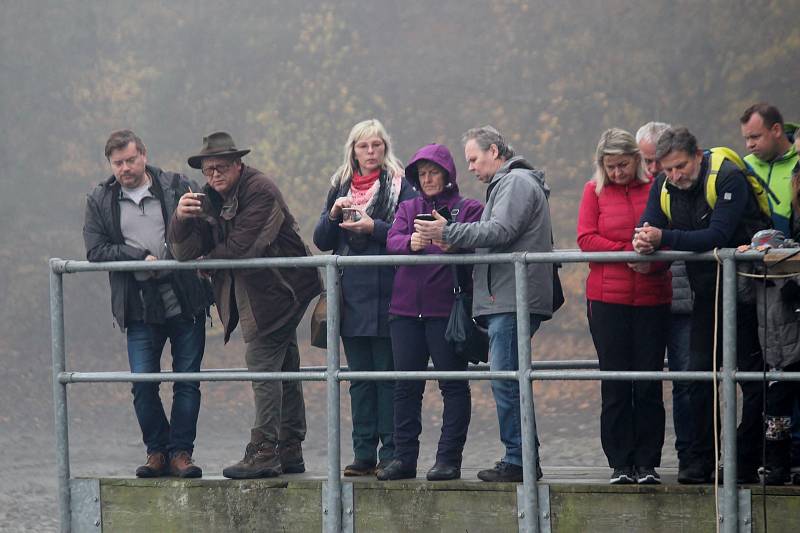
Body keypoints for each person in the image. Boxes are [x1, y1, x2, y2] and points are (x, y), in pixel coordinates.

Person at [169, 131, 322, 479]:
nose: (214, 176)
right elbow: (182, 253)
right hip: (261, 292)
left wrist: (209, 261)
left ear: (238, 164)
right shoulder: (207, 198)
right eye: (208, 170)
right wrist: (180, 218)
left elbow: (244, 247)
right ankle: (289, 449)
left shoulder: (260, 189)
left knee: (263, 362)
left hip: (282, 290)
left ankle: (265, 450)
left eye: (221, 167)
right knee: (283, 365)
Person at [414, 126, 554, 482]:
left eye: (474, 159)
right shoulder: (509, 185)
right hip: (507, 295)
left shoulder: (515, 183)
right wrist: (458, 241)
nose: (471, 168)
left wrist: (447, 233)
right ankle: (521, 457)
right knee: (508, 377)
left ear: (494, 151)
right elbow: (499, 236)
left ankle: (519, 460)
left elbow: (500, 231)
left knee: (506, 379)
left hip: (512, 297)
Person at [633, 127, 768, 484]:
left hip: (751, 290)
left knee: (755, 381)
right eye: (667, 170)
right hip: (707, 292)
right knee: (698, 376)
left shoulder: (728, 177)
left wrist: (664, 238)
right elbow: (648, 223)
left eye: (680, 167)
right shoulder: (663, 186)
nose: (676, 176)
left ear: (697, 155)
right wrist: (643, 240)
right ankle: (700, 461)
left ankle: (745, 458)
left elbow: (717, 236)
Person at [83, 129, 211, 478]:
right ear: (110, 164)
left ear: (144, 155)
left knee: (187, 381)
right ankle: (156, 451)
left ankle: (181, 453)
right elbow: (95, 250)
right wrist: (139, 256)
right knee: (143, 383)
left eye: (130, 159)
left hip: (186, 297)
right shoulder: (100, 199)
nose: (124, 167)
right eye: (117, 162)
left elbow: (210, 226)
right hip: (138, 303)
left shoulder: (177, 184)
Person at [312, 119, 416, 477]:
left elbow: (407, 235)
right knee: (359, 379)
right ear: (353, 150)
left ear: (385, 148)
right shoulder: (339, 185)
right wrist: (334, 213)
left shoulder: (403, 186)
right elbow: (322, 239)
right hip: (352, 296)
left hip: (392, 293)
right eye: (364, 146)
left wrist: (373, 227)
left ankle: (391, 451)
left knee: (387, 376)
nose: (371, 153)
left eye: (377, 146)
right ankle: (362, 453)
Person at [379, 144, 484, 481]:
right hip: (405, 312)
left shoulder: (468, 209)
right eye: (421, 174)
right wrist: (411, 242)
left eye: (433, 172)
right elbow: (391, 240)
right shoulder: (408, 208)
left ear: (447, 174)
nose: (427, 179)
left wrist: (449, 237)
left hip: (447, 312)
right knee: (405, 387)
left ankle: (448, 459)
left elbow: (480, 241)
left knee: (453, 386)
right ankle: (403, 459)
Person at [577, 128, 672, 484]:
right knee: (615, 382)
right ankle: (619, 462)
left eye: (623, 164)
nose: (617, 173)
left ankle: (647, 462)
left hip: (652, 296)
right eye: (611, 166)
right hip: (606, 299)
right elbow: (586, 238)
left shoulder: (658, 188)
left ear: (637, 159)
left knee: (648, 381)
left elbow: (670, 237)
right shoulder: (594, 191)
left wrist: (654, 260)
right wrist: (627, 253)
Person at [637, 121, 695, 470]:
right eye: (647, 161)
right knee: (642, 381)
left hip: (684, 297)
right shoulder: (635, 188)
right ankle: (645, 463)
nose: (654, 168)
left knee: (688, 380)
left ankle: (691, 458)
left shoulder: (685, 186)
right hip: (646, 299)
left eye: (658, 160)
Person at [755, 163, 800, 485]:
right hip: (778, 340)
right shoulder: (793, 216)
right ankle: (776, 464)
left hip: (789, 334)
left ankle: (785, 464)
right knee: (777, 409)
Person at [740, 103, 799, 235]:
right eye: (746, 138)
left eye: (755, 137)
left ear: (776, 130)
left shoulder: (798, 161)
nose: (749, 145)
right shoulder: (743, 166)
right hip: (753, 253)